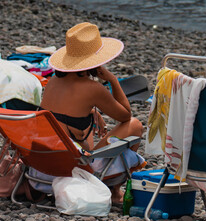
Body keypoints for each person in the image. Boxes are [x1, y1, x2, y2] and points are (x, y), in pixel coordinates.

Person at [41, 22, 144, 204]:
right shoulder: (92, 88)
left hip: (43, 165)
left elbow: (65, 111)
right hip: (75, 168)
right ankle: (114, 190)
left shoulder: (53, 81)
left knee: (84, 122)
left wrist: (92, 112)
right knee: (135, 125)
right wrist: (112, 80)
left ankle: (111, 186)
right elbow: (125, 116)